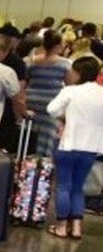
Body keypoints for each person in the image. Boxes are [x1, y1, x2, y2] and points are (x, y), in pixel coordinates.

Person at [47, 55, 103, 239]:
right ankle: (77, 228)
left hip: (69, 144)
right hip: (91, 147)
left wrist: (66, 115)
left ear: (78, 73)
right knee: (78, 188)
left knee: (63, 186)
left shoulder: (70, 91)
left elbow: (52, 109)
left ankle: (62, 226)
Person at [25, 30, 72, 158]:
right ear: (57, 46)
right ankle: (43, 161)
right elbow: (70, 85)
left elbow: (25, 81)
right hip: (51, 103)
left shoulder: (32, 61)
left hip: (31, 102)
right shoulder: (64, 63)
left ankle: (28, 159)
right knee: (47, 137)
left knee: (30, 134)